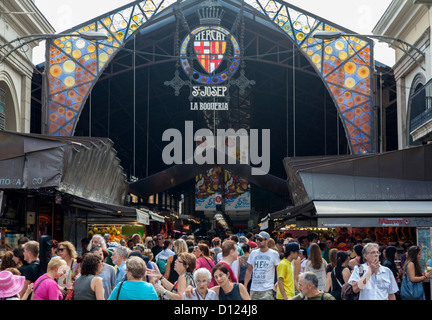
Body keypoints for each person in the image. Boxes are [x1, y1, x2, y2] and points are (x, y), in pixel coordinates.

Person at [244, 231, 280, 300]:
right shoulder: (253, 253)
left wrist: (278, 282)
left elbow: (278, 270)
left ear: (267, 241)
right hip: (254, 289)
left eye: (260, 240)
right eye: (257, 239)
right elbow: (249, 270)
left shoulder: (274, 254)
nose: (258, 241)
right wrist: (245, 286)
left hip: (267, 289)